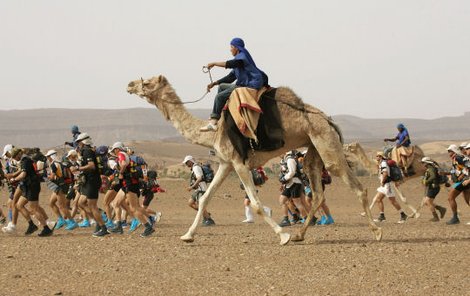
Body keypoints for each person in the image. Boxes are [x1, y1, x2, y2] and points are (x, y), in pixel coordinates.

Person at [201, 37, 268, 132]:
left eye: (231, 47)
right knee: (222, 86)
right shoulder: (238, 61)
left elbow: (230, 64)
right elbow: (230, 77)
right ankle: (221, 115)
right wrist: (214, 83)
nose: (230, 49)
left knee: (220, 97)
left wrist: (214, 63)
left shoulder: (241, 58)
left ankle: (213, 122)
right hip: (242, 84)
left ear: (236, 48)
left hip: (249, 85)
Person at [108, 142, 154, 237]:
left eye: (114, 150)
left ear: (117, 149)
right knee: (115, 203)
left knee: (134, 208)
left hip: (130, 185)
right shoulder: (125, 155)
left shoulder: (121, 154)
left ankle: (148, 227)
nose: (114, 152)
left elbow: (124, 164)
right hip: (127, 185)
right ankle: (118, 226)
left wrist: (120, 173)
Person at [9, 148, 53, 236]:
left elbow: (23, 174)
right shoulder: (24, 160)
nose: (14, 159)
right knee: (19, 205)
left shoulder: (25, 160)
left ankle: (46, 228)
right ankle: (31, 225)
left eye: (14, 157)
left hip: (32, 186)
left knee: (34, 208)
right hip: (28, 187)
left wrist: (14, 179)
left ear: (18, 154)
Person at [75, 133, 108, 236]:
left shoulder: (87, 151)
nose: (78, 144)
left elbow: (91, 166)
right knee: (81, 203)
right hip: (88, 181)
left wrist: (78, 169)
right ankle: (98, 221)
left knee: (92, 205)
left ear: (82, 142)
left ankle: (103, 227)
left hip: (92, 181)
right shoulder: (86, 151)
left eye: (78, 142)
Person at [278, 151, 313, 227]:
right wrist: (283, 182)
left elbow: (292, 172)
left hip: (294, 183)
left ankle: (307, 219)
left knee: (297, 203)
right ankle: (286, 219)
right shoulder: (285, 159)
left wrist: (284, 178)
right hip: (290, 184)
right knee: (282, 200)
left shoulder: (290, 159)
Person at [45, 150, 78, 230]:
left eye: (48, 157)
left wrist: (46, 176)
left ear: (51, 156)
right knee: (51, 203)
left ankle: (72, 222)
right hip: (62, 185)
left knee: (62, 206)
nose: (47, 158)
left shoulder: (53, 164)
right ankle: (61, 220)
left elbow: (52, 177)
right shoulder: (60, 162)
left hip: (59, 186)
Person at [373, 152, 408, 223]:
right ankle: (382, 217)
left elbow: (385, 173)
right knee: (378, 199)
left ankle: (403, 215)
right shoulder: (381, 163)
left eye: (377, 156)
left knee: (393, 201)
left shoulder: (383, 163)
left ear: (381, 156)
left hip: (387, 185)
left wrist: (382, 182)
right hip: (384, 185)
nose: (376, 157)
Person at [183, 155, 215, 226]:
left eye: (187, 162)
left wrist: (192, 187)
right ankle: (205, 213)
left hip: (201, 189)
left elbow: (200, 178)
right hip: (197, 190)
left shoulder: (196, 168)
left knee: (201, 205)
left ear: (190, 161)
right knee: (190, 203)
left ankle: (209, 220)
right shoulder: (194, 168)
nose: (186, 164)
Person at [446, 144, 470, 225]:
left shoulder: (458, 157)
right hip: (463, 181)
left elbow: (467, 166)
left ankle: (455, 218)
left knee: (450, 197)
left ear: (453, 151)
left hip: (464, 181)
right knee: (468, 200)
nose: (448, 153)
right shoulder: (455, 159)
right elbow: (457, 170)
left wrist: (463, 175)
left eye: (449, 151)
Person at [420, 157, 447, 222]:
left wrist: (426, 181)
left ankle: (436, 217)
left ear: (427, 163)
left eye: (423, 163)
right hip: (433, 187)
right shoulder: (431, 168)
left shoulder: (431, 169)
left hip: (434, 187)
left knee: (428, 202)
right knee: (427, 202)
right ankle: (441, 209)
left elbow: (433, 176)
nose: (422, 164)